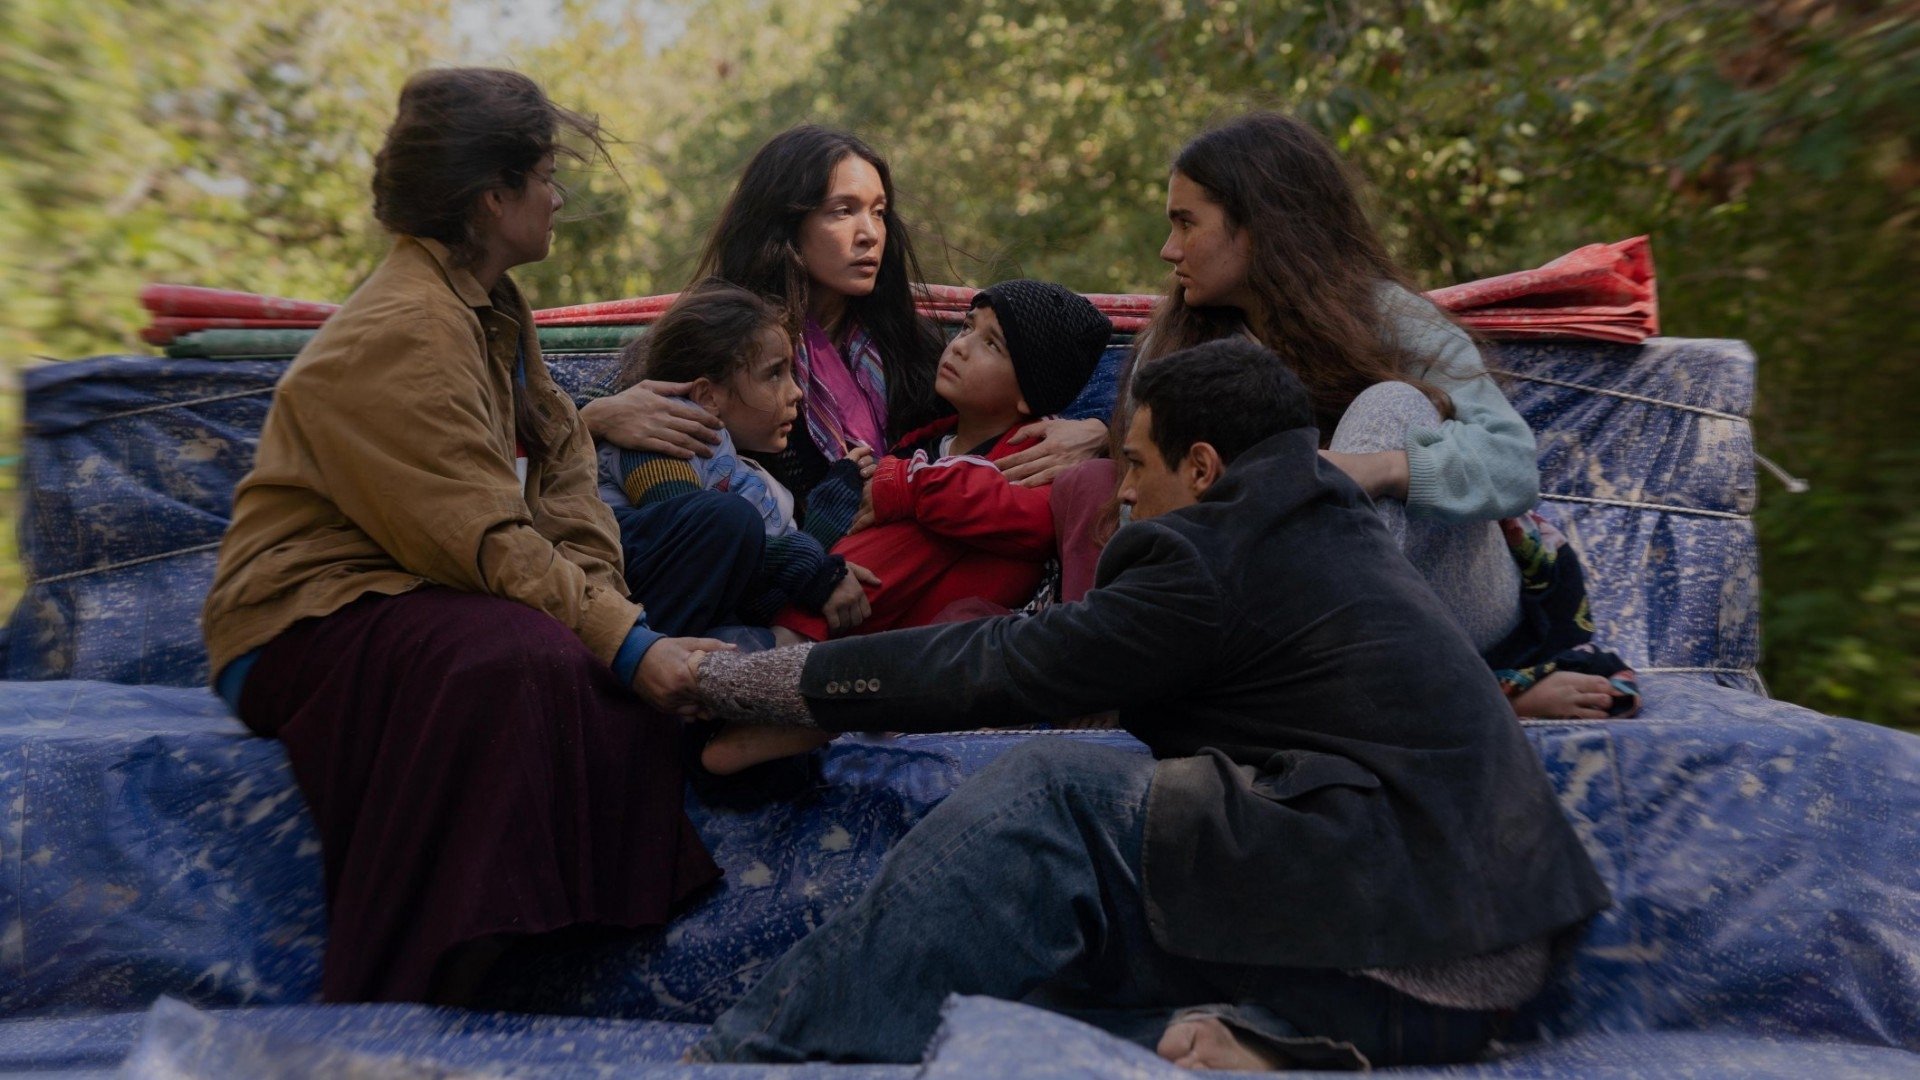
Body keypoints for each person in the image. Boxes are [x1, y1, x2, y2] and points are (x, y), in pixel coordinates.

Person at [681, 338, 1611, 1068]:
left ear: (1201, 467)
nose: (1121, 490)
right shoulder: (1319, 524)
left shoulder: (1214, 554)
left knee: (1053, 797)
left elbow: (1002, 663)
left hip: (1404, 956)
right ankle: (1240, 1040)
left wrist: (738, 679)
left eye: (1135, 463)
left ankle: (748, 1055)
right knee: (1036, 934)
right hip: (1473, 973)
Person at [198, 69, 723, 1004]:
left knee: (587, 651)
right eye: (546, 176)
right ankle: (407, 980)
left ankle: (542, 948)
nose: (558, 197)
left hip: (411, 589)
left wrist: (614, 617)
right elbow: (485, 539)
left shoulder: (492, 308)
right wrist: (629, 644)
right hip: (299, 618)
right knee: (517, 658)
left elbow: (563, 467)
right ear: (493, 197)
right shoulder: (409, 327)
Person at [1055, 111, 1538, 659]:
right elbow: (1139, 513)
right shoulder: (1171, 350)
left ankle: (1340, 673)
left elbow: (1512, 463)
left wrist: (1380, 468)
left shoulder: (1390, 318)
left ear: (1261, 226)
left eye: (1187, 223)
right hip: (1260, 615)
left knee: (1390, 405)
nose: (1169, 249)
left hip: (1450, 603)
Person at [580, 127, 1108, 512]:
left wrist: (1098, 431)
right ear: (786, 222)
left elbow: (1024, 397)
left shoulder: (911, 348)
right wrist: (594, 418)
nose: (869, 234)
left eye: (878, 212)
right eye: (842, 211)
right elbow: (600, 421)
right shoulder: (717, 337)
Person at [702, 281, 1110, 776]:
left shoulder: (1037, 459)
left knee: (924, 534)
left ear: (1030, 394)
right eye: (967, 328)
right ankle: (791, 671)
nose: (960, 346)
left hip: (934, 638)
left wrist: (906, 487)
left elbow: (1026, 518)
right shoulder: (925, 444)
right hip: (870, 622)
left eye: (991, 344)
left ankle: (787, 651)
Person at [596, 280, 880, 633]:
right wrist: (812, 570)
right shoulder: (658, 438)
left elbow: (770, 576)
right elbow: (703, 539)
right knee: (729, 517)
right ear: (708, 396)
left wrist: (835, 500)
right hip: (639, 614)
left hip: (720, 618)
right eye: (774, 373)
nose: (796, 392)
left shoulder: (754, 478)